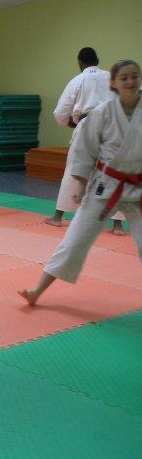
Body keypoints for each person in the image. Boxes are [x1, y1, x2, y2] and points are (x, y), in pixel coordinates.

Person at [19, 60, 140, 305]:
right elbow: (85, 152)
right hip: (105, 185)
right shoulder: (102, 112)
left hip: (137, 189)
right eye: (124, 77)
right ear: (113, 83)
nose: (130, 81)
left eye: (134, 76)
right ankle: (37, 291)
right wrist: (81, 185)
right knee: (74, 240)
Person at [46, 47, 125, 235]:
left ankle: (58, 217)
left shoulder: (79, 79)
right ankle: (117, 226)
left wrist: (70, 122)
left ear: (80, 62)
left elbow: (61, 112)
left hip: (88, 126)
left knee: (74, 170)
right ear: (97, 60)